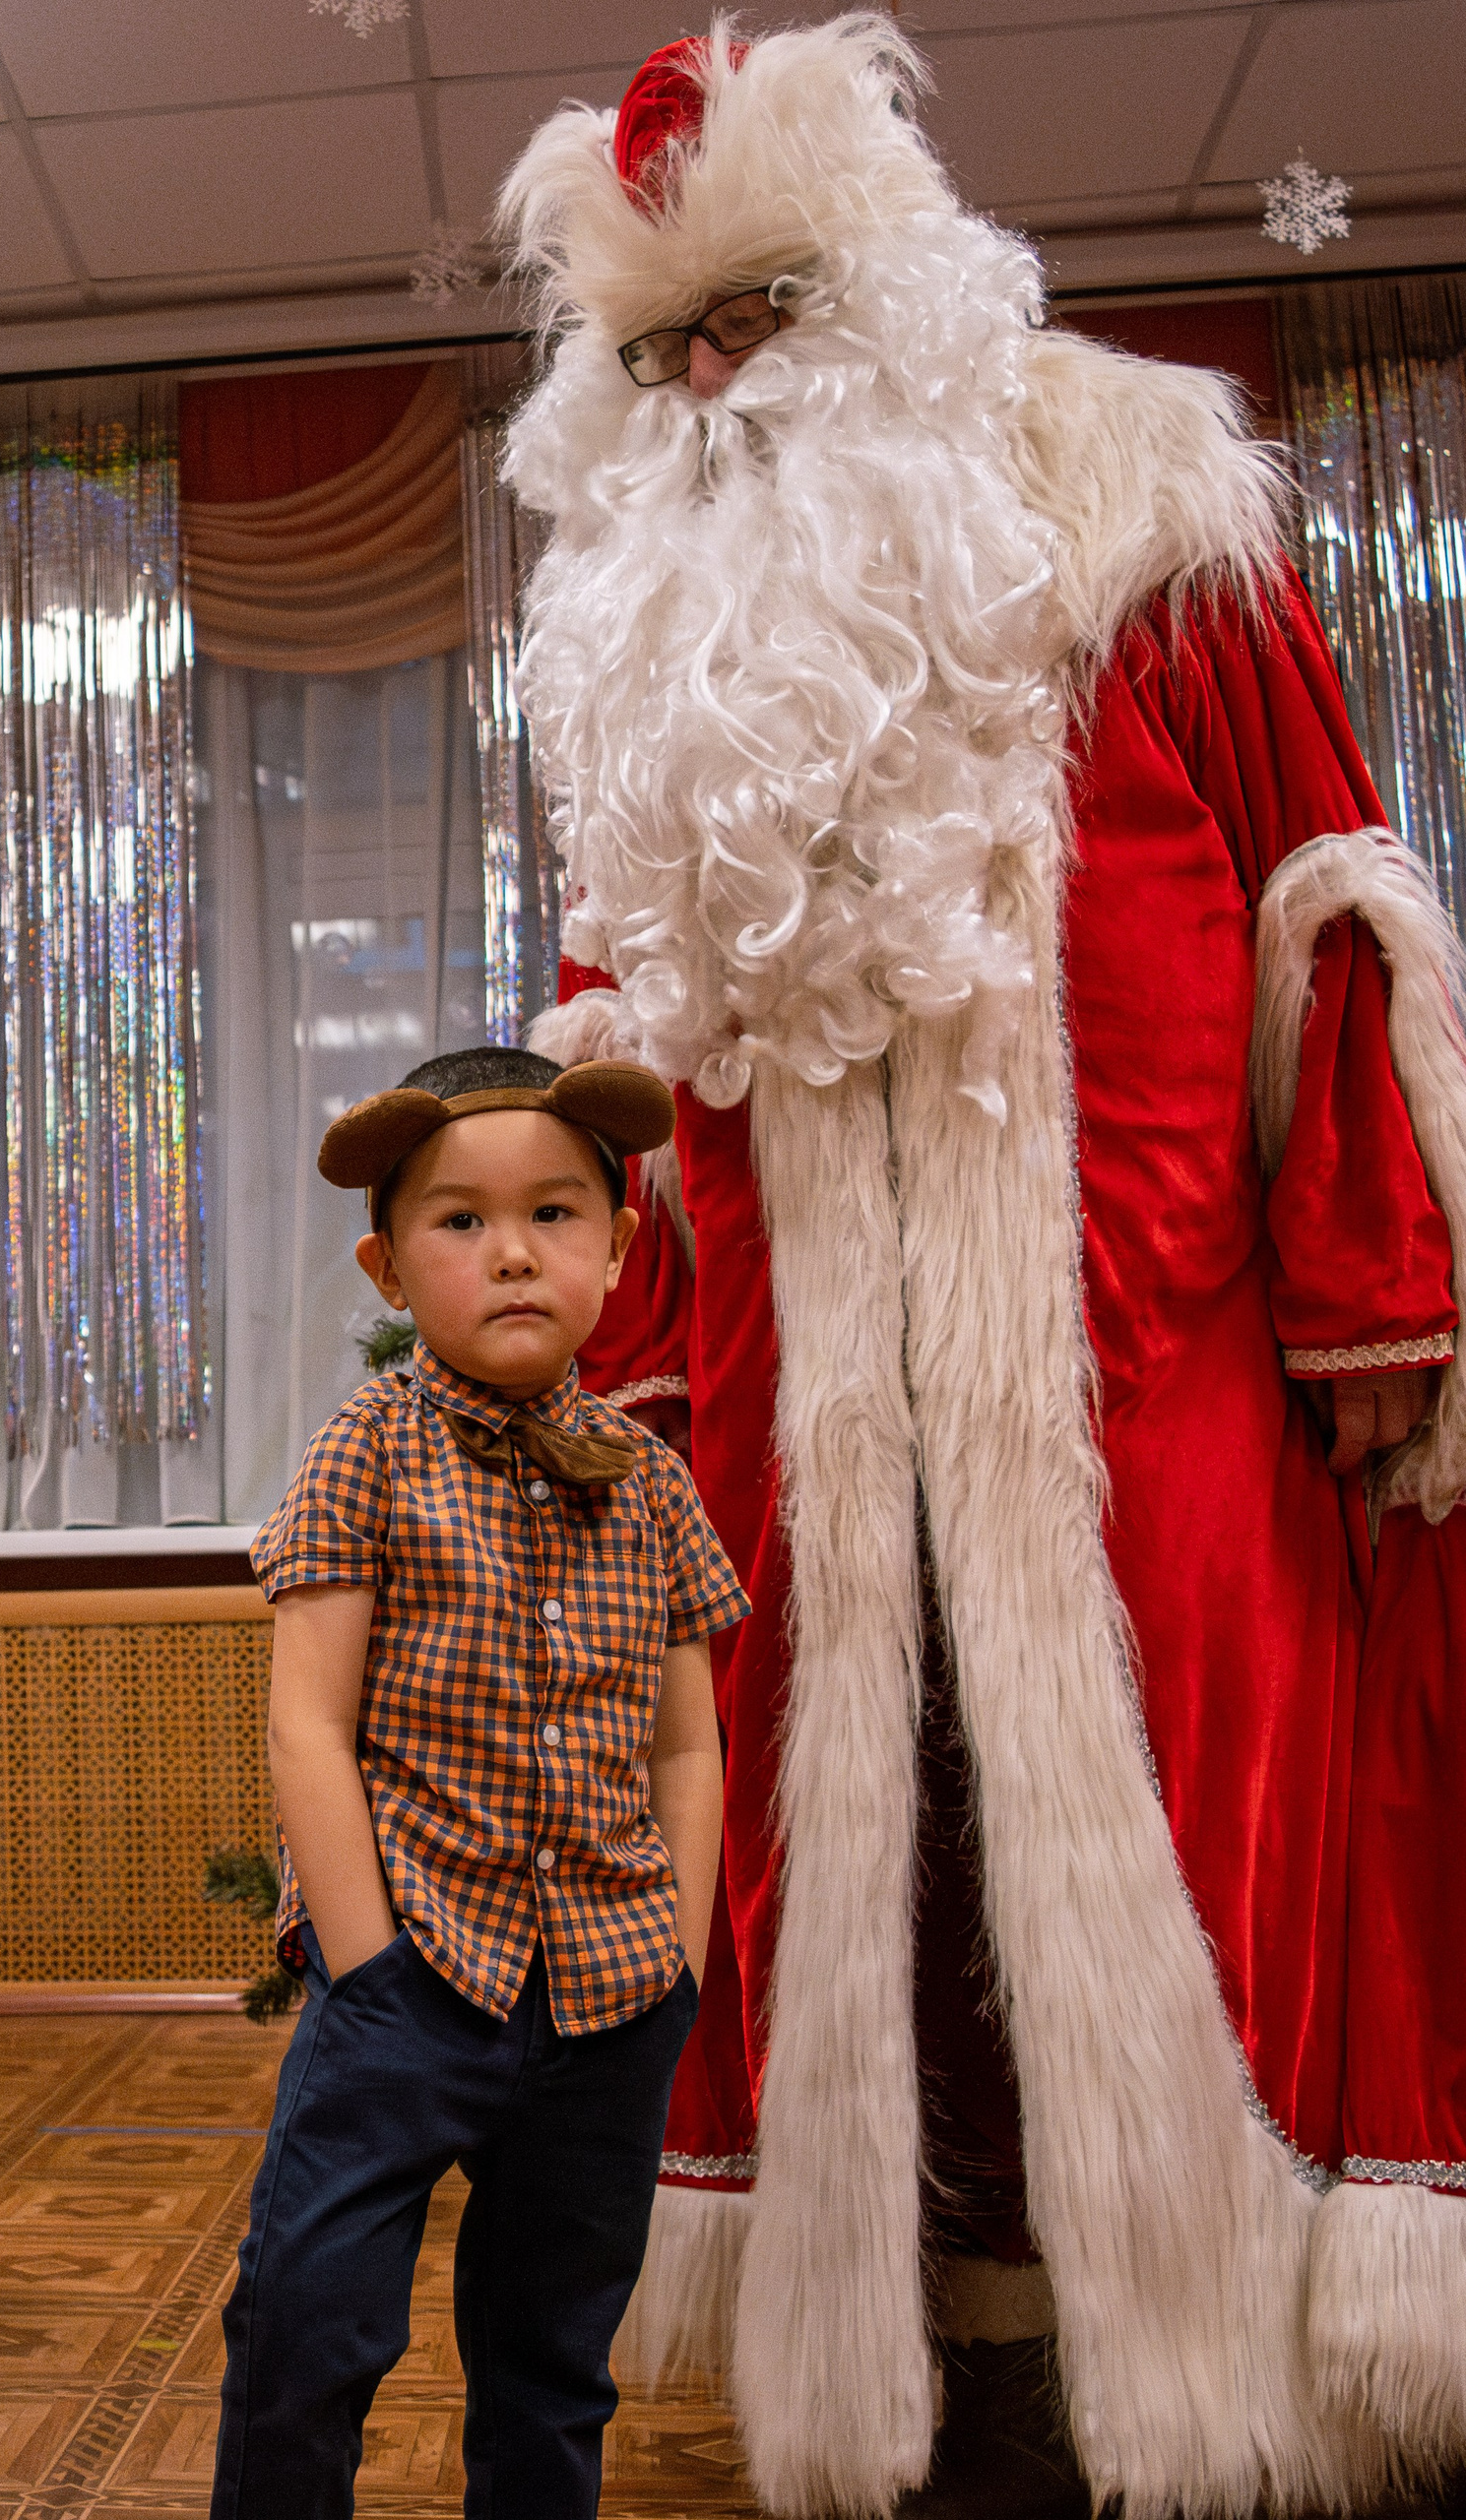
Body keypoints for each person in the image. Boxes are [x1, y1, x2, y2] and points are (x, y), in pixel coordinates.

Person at [501, 20, 1466, 2518]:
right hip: (792, 1393)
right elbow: (613, 1064)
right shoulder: (642, 658)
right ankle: (950, 2355)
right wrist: (614, 1370)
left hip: (1154, 1360)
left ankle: (1225, 2371)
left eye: (753, 320)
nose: (706, 388)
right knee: (860, 1869)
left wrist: (1372, 1282)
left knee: (1199, 1839)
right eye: (652, 351)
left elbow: (1318, 899)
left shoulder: (1139, 518)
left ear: (894, 294)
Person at [211, 1045, 748, 2520]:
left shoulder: (650, 1480)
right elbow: (307, 1728)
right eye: (459, 1221)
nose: (512, 1250)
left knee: (552, 2360)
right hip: (414, 1979)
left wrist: (680, 1957)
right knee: (308, 2331)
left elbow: (686, 1742)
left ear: (621, 1246)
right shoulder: (364, 1456)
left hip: (612, 1994)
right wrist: (369, 1963)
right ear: (389, 1268)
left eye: (557, 1214)